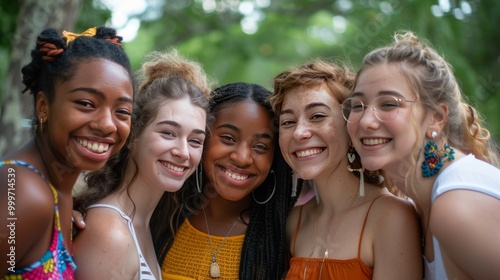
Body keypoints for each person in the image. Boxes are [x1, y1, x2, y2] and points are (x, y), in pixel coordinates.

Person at [344, 30, 500, 280]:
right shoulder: (420, 201)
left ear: (436, 117)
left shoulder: (456, 207)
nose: (366, 121)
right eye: (357, 105)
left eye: (388, 104)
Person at [270, 59, 423, 279]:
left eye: (317, 116)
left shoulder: (391, 217)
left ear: (352, 127)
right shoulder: (295, 221)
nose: (299, 132)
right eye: (288, 122)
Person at [0, 26, 133, 279]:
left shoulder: (53, 191)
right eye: (86, 104)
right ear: (43, 106)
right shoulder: (25, 195)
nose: (107, 124)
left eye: (122, 111)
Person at [72, 49, 211, 280]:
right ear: (133, 135)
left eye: (195, 140)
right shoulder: (110, 233)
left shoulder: (146, 222)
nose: (183, 152)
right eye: (168, 133)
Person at [151, 82, 296, 279]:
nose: (242, 158)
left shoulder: (286, 234)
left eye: (260, 146)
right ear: (202, 137)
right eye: (228, 138)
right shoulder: (161, 213)